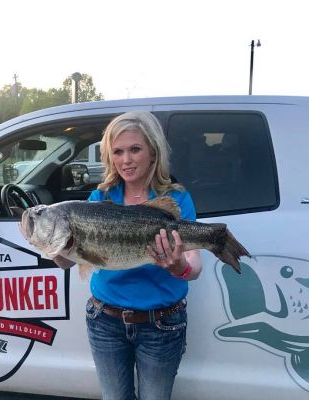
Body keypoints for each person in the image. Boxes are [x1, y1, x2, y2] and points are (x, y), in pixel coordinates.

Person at [54, 111, 202, 400]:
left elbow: (194, 267)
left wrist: (178, 266)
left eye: (135, 149)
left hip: (162, 325)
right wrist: (54, 246)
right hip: (104, 321)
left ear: (152, 152)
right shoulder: (101, 198)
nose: (126, 160)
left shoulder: (176, 199)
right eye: (118, 151)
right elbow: (70, 260)